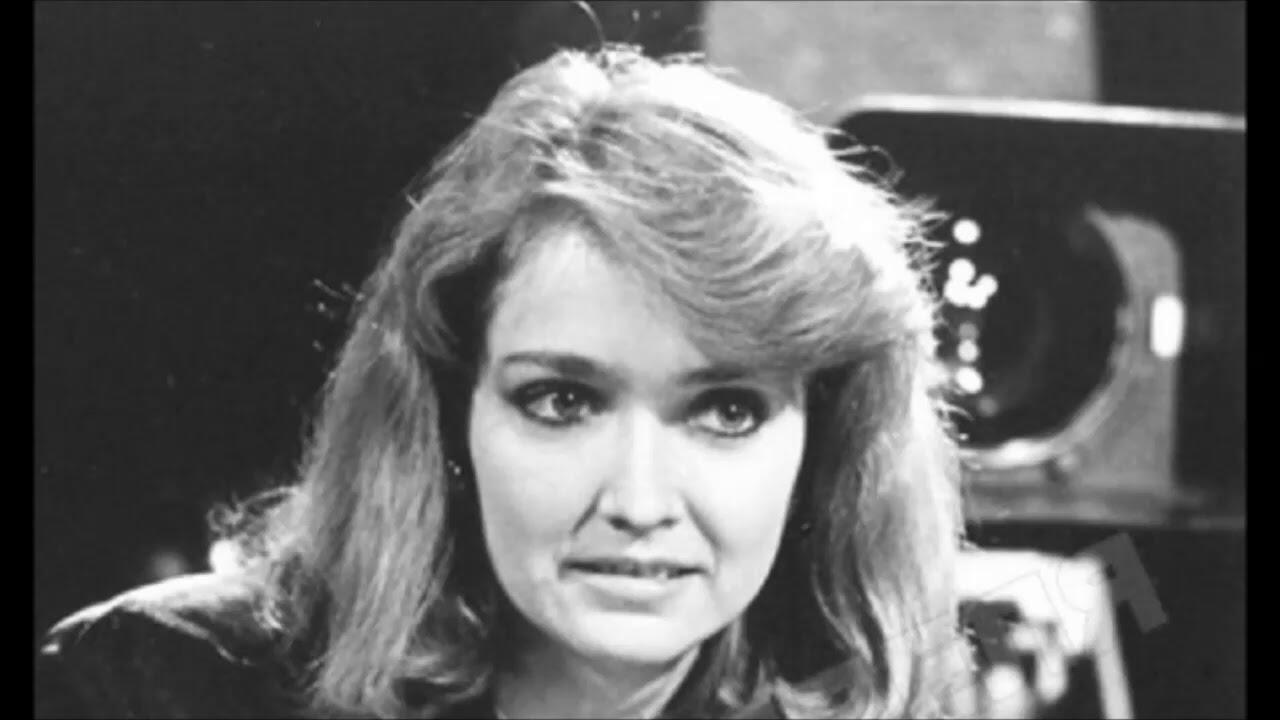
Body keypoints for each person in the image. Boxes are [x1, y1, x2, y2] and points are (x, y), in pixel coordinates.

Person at [36, 45, 974, 718]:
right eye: (563, 401)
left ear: (821, 448)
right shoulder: (155, 686)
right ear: (451, 416)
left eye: (727, 411)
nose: (639, 502)